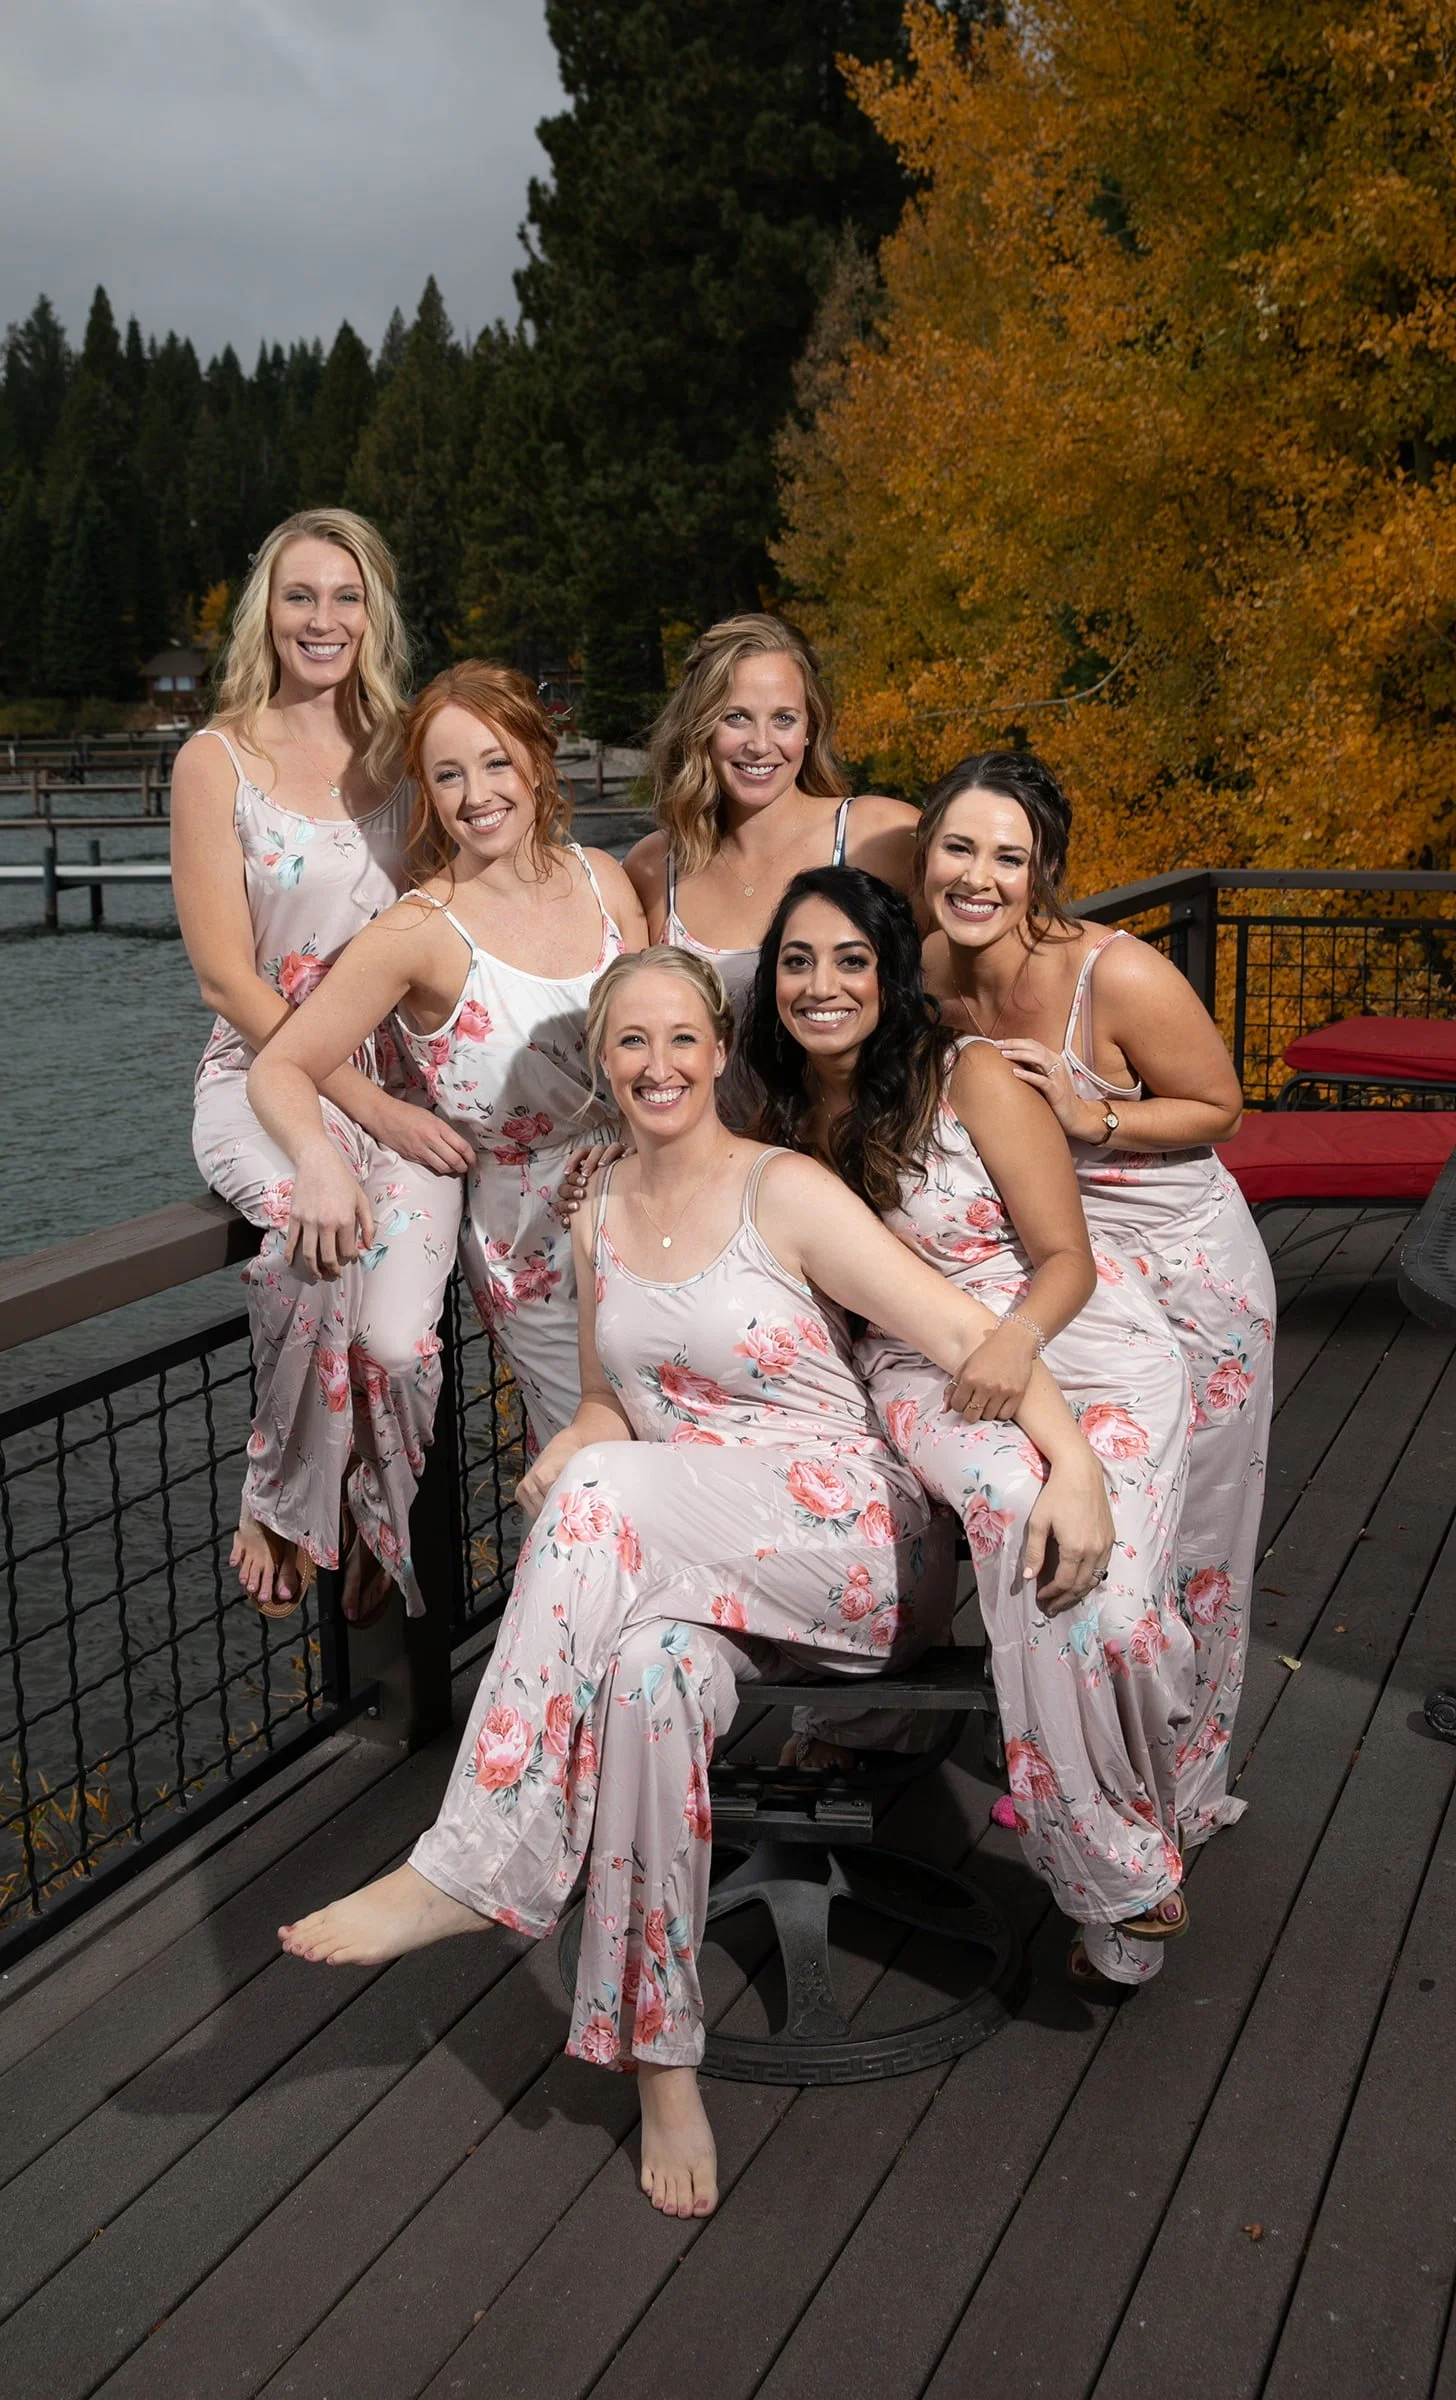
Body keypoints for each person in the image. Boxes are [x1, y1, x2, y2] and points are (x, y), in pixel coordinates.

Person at [277, 947, 1114, 2217]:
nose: (658, 1066)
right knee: (644, 1677)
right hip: (693, 1556)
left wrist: (1079, 1474)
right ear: (601, 1066)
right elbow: (620, 1400)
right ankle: (661, 2060)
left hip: (847, 1545)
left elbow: (961, 1332)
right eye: (630, 1044)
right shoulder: (594, 1207)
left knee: (608, 1508)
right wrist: (572, 1440)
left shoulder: (787, 1190)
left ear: (720, 1052)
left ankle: (471, 1862)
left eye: (682, 1040)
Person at [752, 866, 1198, 1989]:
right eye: (796, 961)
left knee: (1116, 1612)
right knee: (1022, 1521)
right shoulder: (767, 1105)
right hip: (921, 1367)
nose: (821, 984)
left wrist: (1018, 1347)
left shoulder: (968, 1076)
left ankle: (1119, 1830)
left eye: (850, 959)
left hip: (1080, 1347)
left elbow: (1067, 1259)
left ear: (889, 972)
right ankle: (1117, 1872)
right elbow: (650, 1124)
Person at [916, 753, 1276, 1851]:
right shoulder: (918, 967)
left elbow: (1222, 1107)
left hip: (1177, 1266)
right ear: (924, 850)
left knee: (1192, 1550)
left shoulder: (1113, 976)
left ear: (1045, 873)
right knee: (1086, 1528)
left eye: (1008, 858)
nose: (979, 877)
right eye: (959, 847)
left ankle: (1178, 1791)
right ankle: (1082, 1745)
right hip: (1049, 1271)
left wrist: (1093, 1115)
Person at [173, 508, 467, 1623]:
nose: (323, 620)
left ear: (372, 614)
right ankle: (280, 1497)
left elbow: (469, 902)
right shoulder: (217, 761)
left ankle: (371, 1513)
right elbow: (225, 980)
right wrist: (351, 1113)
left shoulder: (406, 751)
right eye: (301, 596)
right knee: (311, 1224)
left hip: (400, 1088)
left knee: (397, 1340)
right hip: (260, 1076)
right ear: (267, 612)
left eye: (346, 598)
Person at [246, 661, 648, 1454]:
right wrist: (326, 1155)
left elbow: (677, 1042)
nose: (478, 794)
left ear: (537, 760)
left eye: (497, 761)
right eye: (448, 776)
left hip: (656, 1207)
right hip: (535, 1245)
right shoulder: (418, 931)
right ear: (427, 793)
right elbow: (279, 1067)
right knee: (601, 1471)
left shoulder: (604, 880)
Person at [620, 613, 920, 1129]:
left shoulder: (878, 837)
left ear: (810, 731)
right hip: (704, 1168)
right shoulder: (654, 867)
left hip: (850, 1153)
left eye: (784, 718)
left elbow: (968, 974)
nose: (761, 744)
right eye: (736, 717)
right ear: (702, 728)